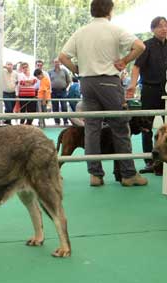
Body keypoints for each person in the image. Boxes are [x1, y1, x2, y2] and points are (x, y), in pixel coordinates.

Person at [59, 0, 148, 187]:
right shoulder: (115, 29)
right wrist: (124, 60)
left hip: (86, 83)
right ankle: (128, 174)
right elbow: (140, 46)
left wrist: (77, 69)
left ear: (92, 11)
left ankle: (95, 175)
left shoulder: (81, 31)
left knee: (91, 128)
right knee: (120, 127)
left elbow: (62, 57)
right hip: (108, 82)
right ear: (110, 11)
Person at [126, 16, 167, 174]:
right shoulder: (146, 46)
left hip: (166, 92)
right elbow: (136, 68)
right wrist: (132, 85)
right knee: (146, 127)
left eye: (166, 26)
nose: (164, 29)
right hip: (149, 90)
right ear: (153, 29)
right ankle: (149, 162)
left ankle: (164, 161)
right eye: (160, 26)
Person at [49, 58, 72, 125]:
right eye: (55, 62)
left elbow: (68, 81)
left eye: (58, 62)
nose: (57, 63)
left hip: (63, 91)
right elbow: (48, 82)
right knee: (55, 106)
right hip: (53, 91)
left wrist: (65, 87)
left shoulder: (64, 71)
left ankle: (65, 121)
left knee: (64, 106)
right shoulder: (50, 72)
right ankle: (57, 121)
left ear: (60, 63)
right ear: (53, 63)